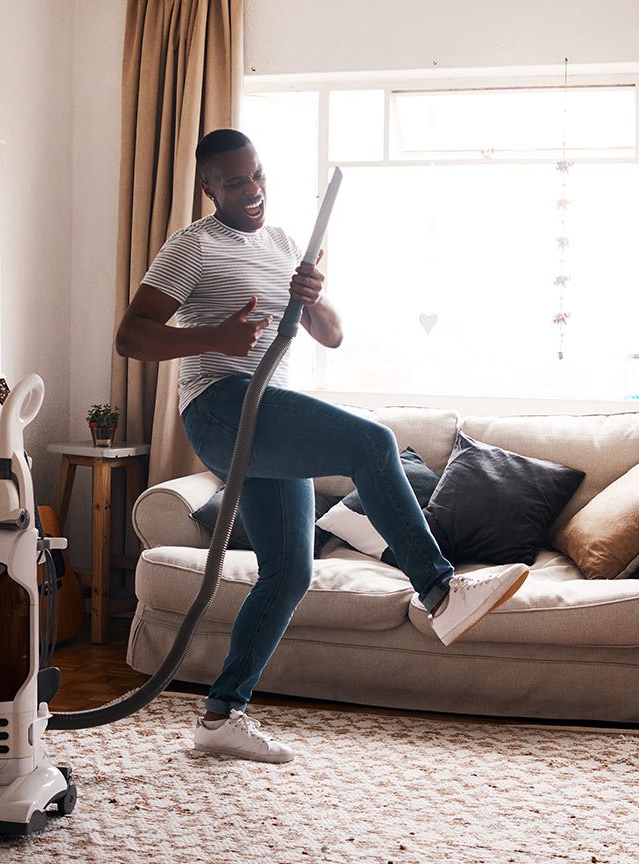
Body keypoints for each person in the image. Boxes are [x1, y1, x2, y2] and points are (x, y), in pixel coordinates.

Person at [115, 129, 528, 763]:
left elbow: (330, 335)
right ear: (208, 188)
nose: (251, 191)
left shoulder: (283, 242)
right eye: (234, 183)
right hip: (222, 408)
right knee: (371, 443)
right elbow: (132, 337)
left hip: (267, 413)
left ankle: (221, 717)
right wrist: (213, 339)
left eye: (256, 177)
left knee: (289, 571)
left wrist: (313, 299)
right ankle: (441, 590)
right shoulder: (191, 248)